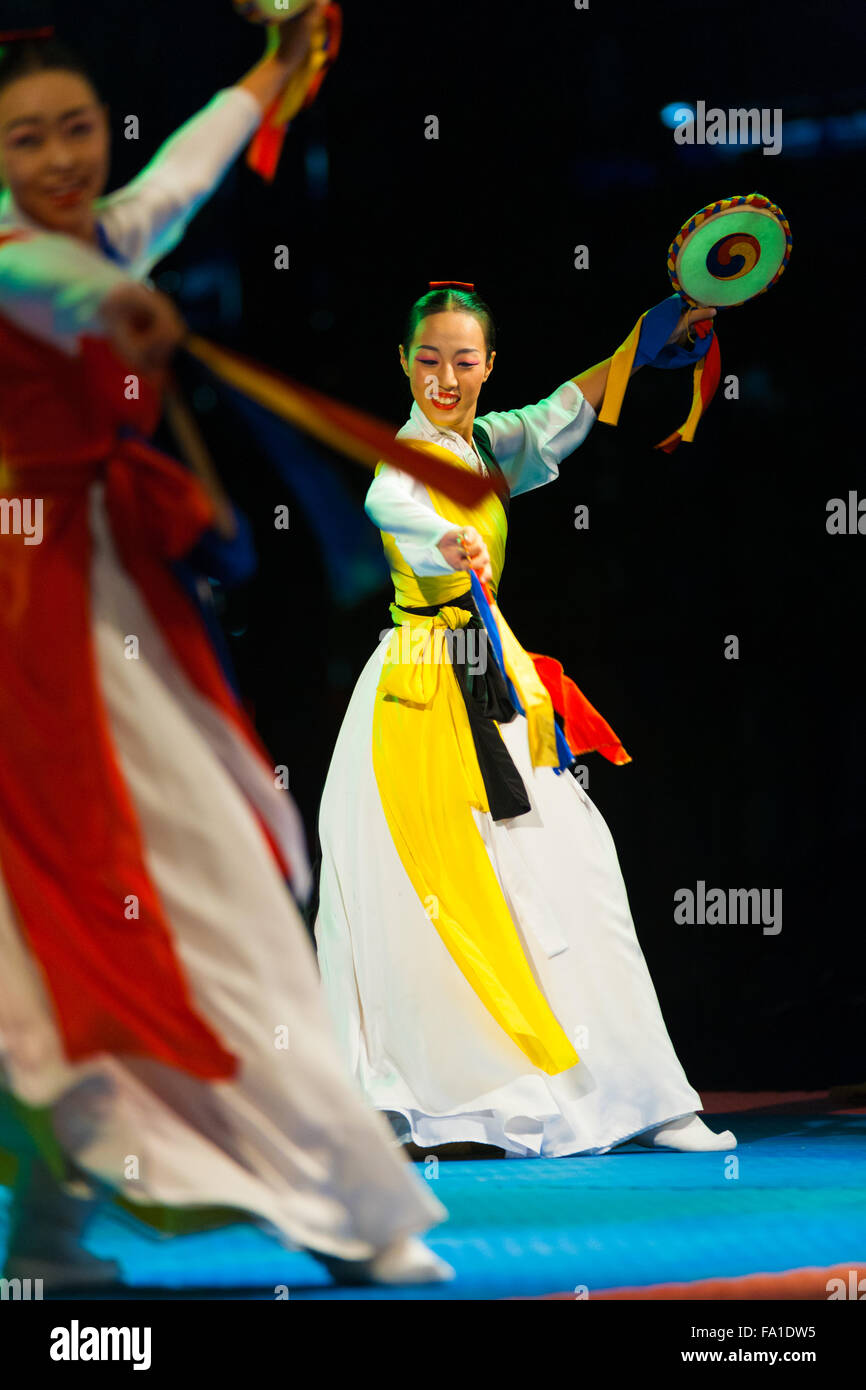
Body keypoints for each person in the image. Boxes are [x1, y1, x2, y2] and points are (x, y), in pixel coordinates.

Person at [0, 8, 450, 1290]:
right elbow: (63, 289)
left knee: (173, 905)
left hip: (112, 602)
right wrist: (129, 315)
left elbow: (184, 174)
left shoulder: (97, 232)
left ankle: (87, 1222)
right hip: (35, 619)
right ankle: (303, 1205)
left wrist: (277, 65)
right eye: (24, 141)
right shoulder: (19, 259)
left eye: (76, 129)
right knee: (96, 921)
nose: (57, 158)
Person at [315, 281, 738, 1160]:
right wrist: (446, 543)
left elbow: (560, 413)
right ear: (403, 363)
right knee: (433, 912)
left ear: (486, 365)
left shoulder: (482, 440)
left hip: (489, 682)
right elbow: (388, 506)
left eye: (464, 361)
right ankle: (462, 1104)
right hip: (421, 699)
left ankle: (649, 1097)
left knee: (577, 872)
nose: (445, 377)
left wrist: (647, 335)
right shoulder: (410, 460)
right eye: (428, 360)